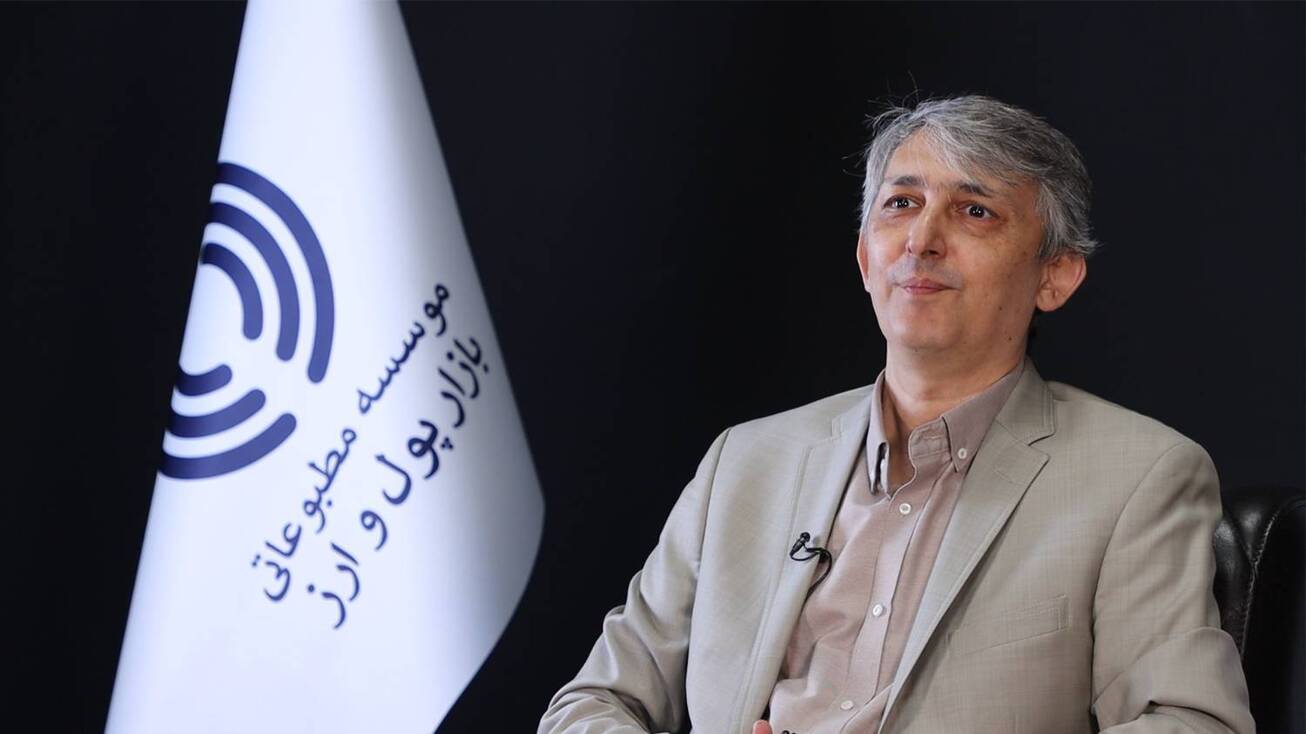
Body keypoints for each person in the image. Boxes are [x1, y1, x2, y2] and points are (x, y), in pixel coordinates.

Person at [537, 96, 1254, 734]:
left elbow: (1190, 722)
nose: (922, 239)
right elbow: (592, 704)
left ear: (1054, 276)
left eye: (975, 211)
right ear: (864, 258)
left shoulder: (1138, 476)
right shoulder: (745, 463)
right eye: (901, 203)